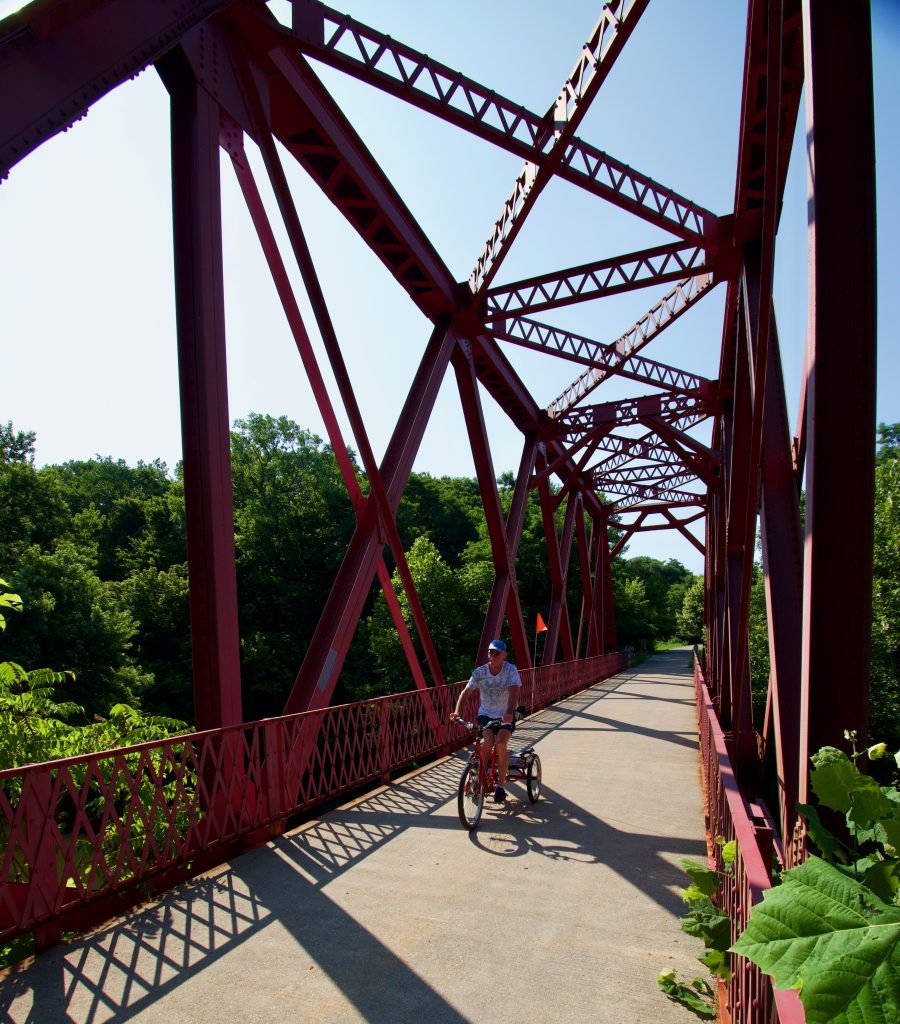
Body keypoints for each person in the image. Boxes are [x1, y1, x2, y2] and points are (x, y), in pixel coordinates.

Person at [452, 639, 522, 803]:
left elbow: (514, 692)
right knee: (488, 741)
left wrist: (509, 712)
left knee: (501, 743)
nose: (493, 655)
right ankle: (479, 775)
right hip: (486, 714)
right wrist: (457, 712)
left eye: (497, 653)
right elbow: (466, 692)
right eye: (491, 652)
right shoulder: (480, 672)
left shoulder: (510, 670)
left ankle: (500, 786)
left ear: (504, 655)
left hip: (505, 714)